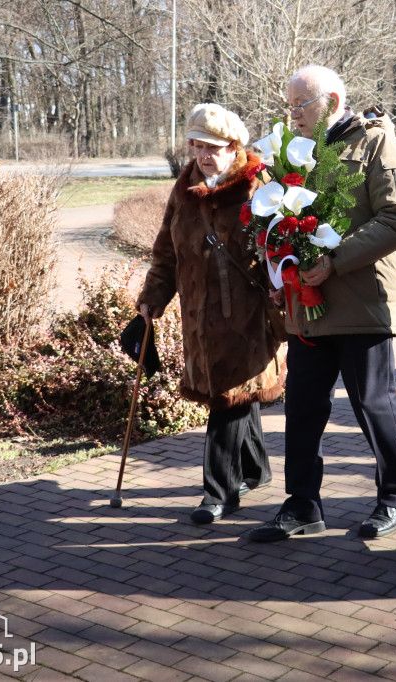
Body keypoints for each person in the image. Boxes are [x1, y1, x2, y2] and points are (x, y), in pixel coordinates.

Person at [250, 65, 396, 542]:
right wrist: (279, 264)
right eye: (290, 106)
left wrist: (334, 260)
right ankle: (302, 504)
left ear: (333, 102)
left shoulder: (377, 143)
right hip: (308, 306)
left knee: (372, 404)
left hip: (362, 304)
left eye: (301, 105)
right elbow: (279, 219)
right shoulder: (291, 153)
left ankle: (395, 497)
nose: (293, 115)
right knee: (302, 408)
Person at [137, 103, 286, 524]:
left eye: (213, 147)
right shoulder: (183, 188)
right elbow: (166, 249)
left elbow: (283, 245)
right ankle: (255, 470)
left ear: (233, 145)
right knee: (238, 393)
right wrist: (153, 296)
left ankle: (217, 493)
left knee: (228, 396)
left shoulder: (258, 184)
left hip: (248, 315)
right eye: (197, 146)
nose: (204, 155)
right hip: (199, 316)